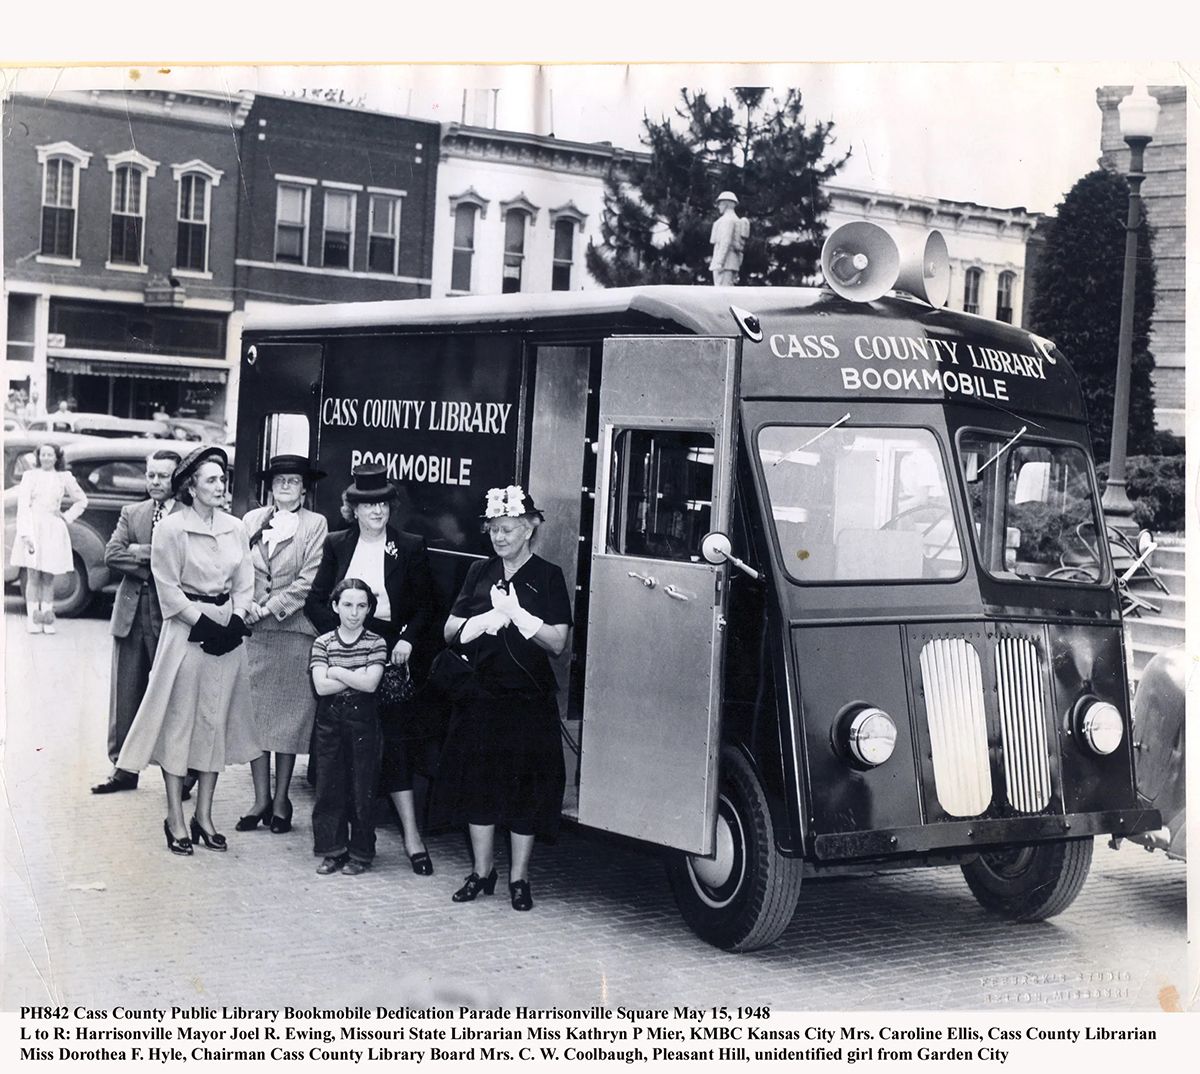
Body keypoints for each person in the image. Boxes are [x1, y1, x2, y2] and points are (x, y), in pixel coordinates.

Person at [116, 446, 260, 856]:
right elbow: (167, 587)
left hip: (228, 634)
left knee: (214, 723)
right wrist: (203, 625)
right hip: (187, 633)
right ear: (191, 487)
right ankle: (175, 818)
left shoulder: (236, 527)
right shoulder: (172, 529)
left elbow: (246, 582)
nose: (220, 486)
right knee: (180, 724)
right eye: (211, 480)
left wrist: (237, 619)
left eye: (223, 479)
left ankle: (204, 816)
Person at [435, 485, 571, 911]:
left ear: (529, 530)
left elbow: (557, 643)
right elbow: (449, 631)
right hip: (481, 697)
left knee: (525, 791)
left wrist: (519, 617)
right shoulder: (479, 572)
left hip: (527, 702)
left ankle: (519, 877)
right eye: (494, 529)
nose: (499, 537)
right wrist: (483, 621)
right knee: (478, 786)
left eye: (508, 529)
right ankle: (481, 871)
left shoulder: (548, 576)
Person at [306, 464, 439, 875]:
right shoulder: (336, 544)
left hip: (391, 655)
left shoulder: (411, 545)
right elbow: (315, 601)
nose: (377, 512)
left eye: (383, 504)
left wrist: (406, 640)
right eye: (368, 505)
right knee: (341, 754)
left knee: (394, 747)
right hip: (347, 652)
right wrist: (344, 642)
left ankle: (412, 840)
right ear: (354, 509)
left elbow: (427, 607)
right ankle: (338, 846)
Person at [237, 455, 329, 833]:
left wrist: (268, 609)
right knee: (256, 719)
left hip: (293, 632)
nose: (286, 487)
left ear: (305, 488)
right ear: (270, 487)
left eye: (293, 481)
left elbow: (309, 580)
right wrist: (246, 608)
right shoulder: (251, 521)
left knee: (288, 722)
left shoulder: (315, 524)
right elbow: (239, 568)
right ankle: (259, 800)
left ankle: (281, 802)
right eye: (280, 481)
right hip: (255, 635)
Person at [91, 449, 182, 794]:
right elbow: (112, 554)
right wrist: (154, 564)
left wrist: (144, 551)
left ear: (178, 478)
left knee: (172, 694)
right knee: (125, 693)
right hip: (130, 613)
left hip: (170, 615)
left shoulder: (187, 516)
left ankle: (179, 772)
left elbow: (186, 564)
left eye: (163, 475)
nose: (156, 482)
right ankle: (123, 769)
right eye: (151, 475)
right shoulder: (133, 512)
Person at [309, 578, 388, 875]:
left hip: (363, 721)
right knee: (329, 785)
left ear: (369, 609)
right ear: (335, 606)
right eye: (347, 605)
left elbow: (370, 684)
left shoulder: (376, 642)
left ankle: (361, 852)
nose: (354, 613)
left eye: (361, 606)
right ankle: (332, 850)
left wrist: (338, 670)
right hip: (329, 721)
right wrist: (356, 675)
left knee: (362, 787)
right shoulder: (323, 642)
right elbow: (320, 686)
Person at [10, 442, 89, 634]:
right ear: (39, 457)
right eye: (43, 455)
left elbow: (82, 500)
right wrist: (26, 533)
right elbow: (23, 507)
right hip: (33, 527)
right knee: (33, 576)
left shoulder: (64, 477)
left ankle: (46, 619)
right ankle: (33, 619)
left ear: (56, 457)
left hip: (53, 529)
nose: (46, 458)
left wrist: (66, 515)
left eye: (50, 455)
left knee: (48, 576)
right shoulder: (30, 476)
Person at [709, 190, 750, 286]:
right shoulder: (735, 220)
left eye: (720, 204)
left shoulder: (727, 220)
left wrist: (719, 262)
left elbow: (725, 241)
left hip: (724, 264)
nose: (718, 207)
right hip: (731, 263)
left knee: (722, 294)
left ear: (725, 204)